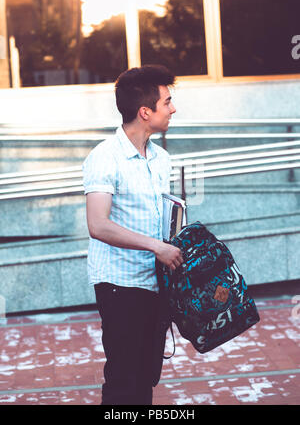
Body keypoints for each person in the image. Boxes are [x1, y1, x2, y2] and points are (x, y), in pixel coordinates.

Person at [82, 64, 183, 405]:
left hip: (154, 283)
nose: (172, 108)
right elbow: (98, 224)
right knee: (124, 380)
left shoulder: (161, 158)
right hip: (119, 285)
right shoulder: (104, 158)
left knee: (146, 375)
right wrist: (156, 246)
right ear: (145, 111)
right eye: (167, 102)